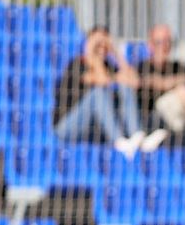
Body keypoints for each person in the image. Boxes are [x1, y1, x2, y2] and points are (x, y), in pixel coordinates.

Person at [53, 26, 167, 159]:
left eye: (105, 43)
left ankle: (137, 135)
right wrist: (91, 50)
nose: (102, 47)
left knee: (124, 86)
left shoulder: (108, 65)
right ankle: (119, 142)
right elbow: (102, 80)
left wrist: (115, 52)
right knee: (98, 94)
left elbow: (134, 82)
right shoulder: (78, 64)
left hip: (93, 128)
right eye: (98, 43)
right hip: (66, 127)